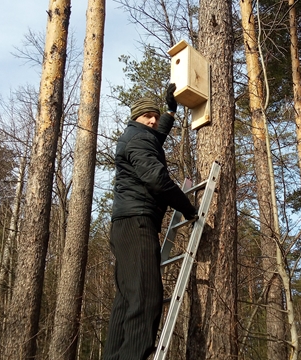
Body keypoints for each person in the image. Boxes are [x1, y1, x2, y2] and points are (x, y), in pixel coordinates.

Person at [103, 83, 198, 360]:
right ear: (136, 118)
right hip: (137, 222)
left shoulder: (136, 137)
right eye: (148, 116)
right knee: (146, 297)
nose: (154, 120)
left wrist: (170, 110)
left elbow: (155, 138)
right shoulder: (139, 139)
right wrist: (188, 208)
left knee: (128, 299)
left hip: (124, 225)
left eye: (155, 116)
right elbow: (157, 179)